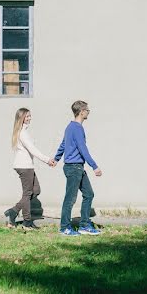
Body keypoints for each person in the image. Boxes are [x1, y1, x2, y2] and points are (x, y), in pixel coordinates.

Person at [54, 100, 103, 236]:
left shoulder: (69, 127)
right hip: (74, 167)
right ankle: (64, 227)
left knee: (89, 194)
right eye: (87, 110)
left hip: (76, 167)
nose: (88, 112)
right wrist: (94, 166)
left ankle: (84, 225)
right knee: (70, 199)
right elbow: (82, 149)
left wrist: (56, 158)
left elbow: (63, 144)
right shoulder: (77, 128)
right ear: (81, 112)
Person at [5, 108, 56, 230]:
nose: (29, 118)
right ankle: (27, 223)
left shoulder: (23, 131)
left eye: (30, 116)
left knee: (36, 190)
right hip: (24, 166)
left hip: (27, 166)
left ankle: (13, 211)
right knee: (27, 194)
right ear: (21, 118)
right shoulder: (22, 133)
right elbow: (32, 150)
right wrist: (47, 160)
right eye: (27, 116)